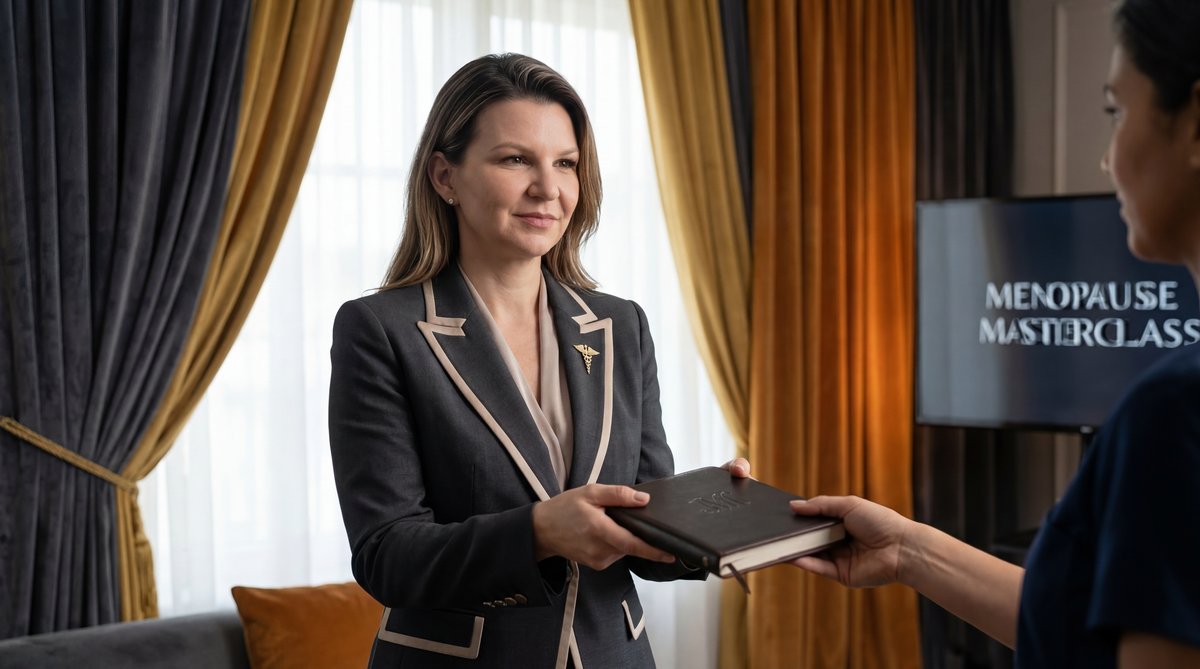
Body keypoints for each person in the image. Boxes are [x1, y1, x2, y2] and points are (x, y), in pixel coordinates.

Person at [789, 1, 1200, 666]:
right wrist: (907, 549)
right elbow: (1082, 631)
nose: (1106, 160)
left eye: (1115, 112)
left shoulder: (1174, 412)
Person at [328, 53, 750, 668]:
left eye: (566, 164)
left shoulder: (620, 326)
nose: (548, 189)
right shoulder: (381, 330)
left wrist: (712, 524)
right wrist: (540, 532)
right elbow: (386, 556)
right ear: (445, 176)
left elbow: (640, 523)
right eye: (515, 159)